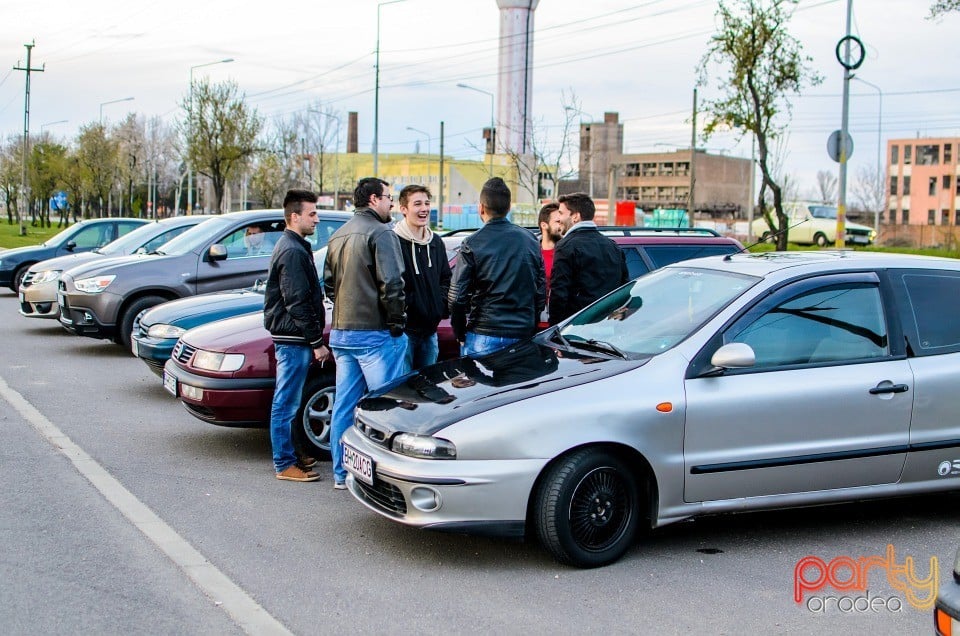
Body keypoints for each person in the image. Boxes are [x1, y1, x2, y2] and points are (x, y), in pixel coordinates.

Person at [323, 177, 408, 489]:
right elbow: (393, 283)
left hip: (343, 332)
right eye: (388, 197)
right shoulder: (381, 233)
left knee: (344, 406)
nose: (390, 203)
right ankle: (386, 480)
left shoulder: (339, 234)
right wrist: (397, 324)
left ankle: (340, 473)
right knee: (384, 408)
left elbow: (330, 285)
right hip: (374, 333)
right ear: (374, 199)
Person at [263, 189, 332, 483]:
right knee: (286, 402)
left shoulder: (296, 245)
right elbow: (297, 301)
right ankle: (284, 463)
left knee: (290, 400)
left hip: (294, 337)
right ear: (295, 217)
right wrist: (316, 341)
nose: (317, 219)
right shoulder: (291, 250)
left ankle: (292, 455)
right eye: (312, 214)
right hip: (293, 339)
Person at [448, 177, 545, 357]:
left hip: (484, 332)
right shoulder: (530, 240)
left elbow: (456, 297)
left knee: (480, 384)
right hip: (522, 332)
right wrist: (531, 324)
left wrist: (460, 332)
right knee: (516, 386)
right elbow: (539, 291)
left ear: (481, 208)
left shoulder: (472, 243)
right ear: (508, 208)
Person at [548, 192, 629, 326]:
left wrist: (554, 329)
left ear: (575, 216)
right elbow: (624, 289)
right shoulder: (612, 246)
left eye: (561, 213)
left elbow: (559, 293)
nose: (559, 219)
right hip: (608, 327)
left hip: (576, 328)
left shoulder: (566, 246)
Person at [394, 184, 452, 370]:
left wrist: (439, 305)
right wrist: (408, 308)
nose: (424, 209)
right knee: (403, 389)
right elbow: (390, 285)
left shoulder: (435, 242)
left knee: (428, 387)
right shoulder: (394, 241)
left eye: (427, 203)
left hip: (430, 331)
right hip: (405, 333)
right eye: (417, 204)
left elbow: (446, 279)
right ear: (403, 209)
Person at [537, 201, 562, 329]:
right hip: (533, 325)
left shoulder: (567, 252)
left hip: (560, 324)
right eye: (558, 222)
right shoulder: (531, 252)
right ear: (544, 225)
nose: (562, 225)